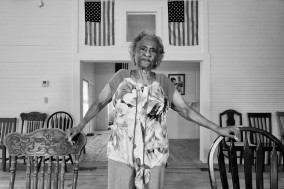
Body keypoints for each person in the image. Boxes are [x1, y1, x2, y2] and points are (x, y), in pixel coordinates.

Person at [66, 31, 239, 189]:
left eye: (152, 50)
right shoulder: (120, 77)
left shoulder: (163, 82)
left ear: (157, 57)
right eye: (143, 48)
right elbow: (99, 103)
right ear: (134, 52)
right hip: (121, 153)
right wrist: (79, 126)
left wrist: (217, 128)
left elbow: (186, 110)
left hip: (154, 154)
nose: (147, 53)